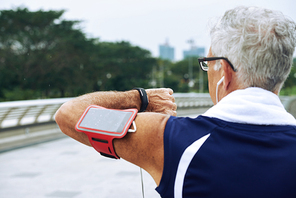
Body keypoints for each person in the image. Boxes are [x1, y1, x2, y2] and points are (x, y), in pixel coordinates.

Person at [55, 6, 296, 198]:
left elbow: (69, 115)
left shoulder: (171, 139)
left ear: (225, 71)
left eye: (207, 63)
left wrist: (140, 98)